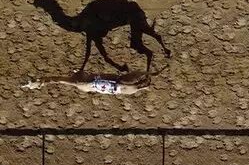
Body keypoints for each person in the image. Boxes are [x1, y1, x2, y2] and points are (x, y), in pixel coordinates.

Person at [21, 69, 154, 95]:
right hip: (112, 84)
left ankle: (36, 83)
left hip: (113, 87)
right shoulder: (81, 85)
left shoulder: (82, 87)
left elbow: (56, 80)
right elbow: (56, 79)